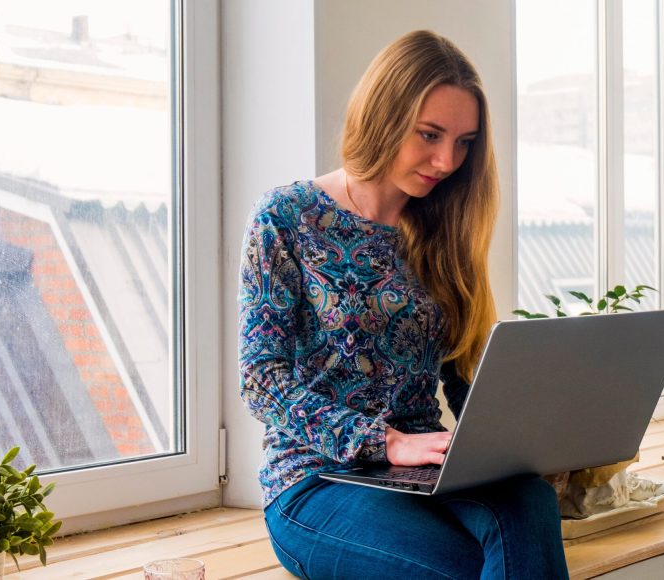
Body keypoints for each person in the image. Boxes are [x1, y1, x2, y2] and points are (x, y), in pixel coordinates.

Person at [238, 30, 569, 579]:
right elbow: (260, 380)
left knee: (530, 501)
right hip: (317, 481)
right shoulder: (285, 217)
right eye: (430, 134)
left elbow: (461, 372)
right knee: (468, 569)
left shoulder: (443, 227)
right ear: (383, 117)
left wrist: (517, 444)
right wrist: (384, 441)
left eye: (465, 142)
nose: (446, 160)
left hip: (428, 472)